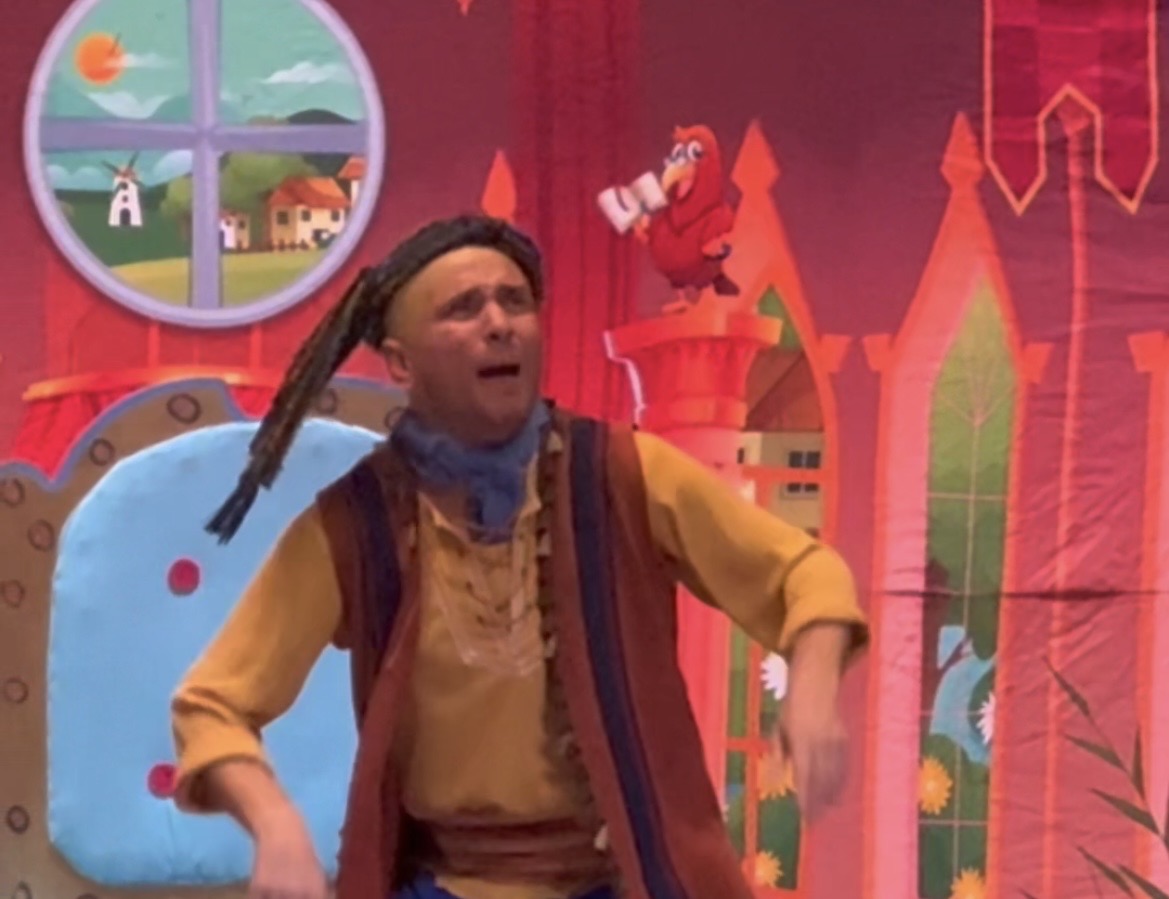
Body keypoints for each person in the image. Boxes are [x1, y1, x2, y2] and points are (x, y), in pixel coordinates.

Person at [171, 214, 869, 899]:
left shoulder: (621, 474)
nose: (498, 323)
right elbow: (212, 705)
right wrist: (274, 822)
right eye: (462, 308)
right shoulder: (357, 521)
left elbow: (804, 572)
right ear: (402, 362)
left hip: (626, 878)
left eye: (515, 301)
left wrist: (811, 687)